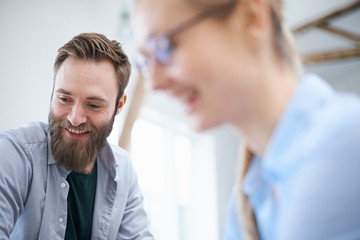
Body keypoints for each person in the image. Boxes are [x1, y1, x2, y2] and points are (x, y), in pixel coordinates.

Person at [131, 0, 360, 239]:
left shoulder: (342, 146)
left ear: (251, 18)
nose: (154, 84)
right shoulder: (248, 197)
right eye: (146, 61)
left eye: (164, 47)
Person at [0, 33, 154, 240]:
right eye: (64, 98)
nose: (74, 119)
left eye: (93, 105)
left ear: (119, 105)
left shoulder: (123, 170)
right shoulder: (14, 153)